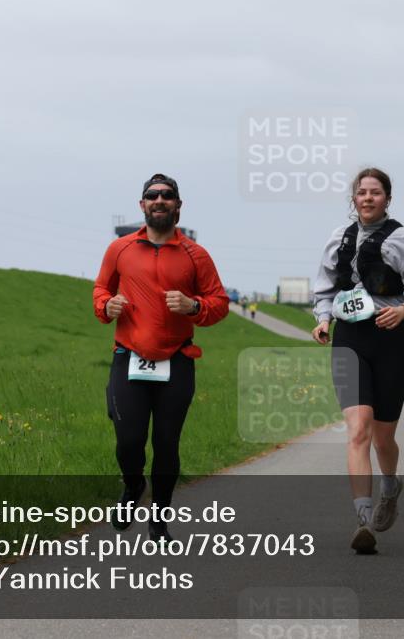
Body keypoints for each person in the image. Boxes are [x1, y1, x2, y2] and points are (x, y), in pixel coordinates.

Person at [93, 173, 230, 543]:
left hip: (177, 360)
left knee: (167, 444)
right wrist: (108, 305)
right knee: (129, 440)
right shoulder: (119, 249)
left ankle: (159, 519)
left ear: (178, 206)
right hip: (129, 357)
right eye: (152, 195)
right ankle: (133, 486)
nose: (159, 200)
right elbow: (101, 289)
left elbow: (219, 304)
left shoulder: (195, 255)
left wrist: (193, 306)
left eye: (167, 196)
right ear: (142, 205)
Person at [311, 167, 404, 554]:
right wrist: (323, 319)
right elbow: (325, 288)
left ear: (387, 198)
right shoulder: (338, 238)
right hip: (350, 337)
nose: (367, 198)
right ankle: (363, 519)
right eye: (361, 192)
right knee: (358, 429)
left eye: (375, 192)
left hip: (389, 338)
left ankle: (390, 485)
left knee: (384, 438)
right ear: (353, 199)